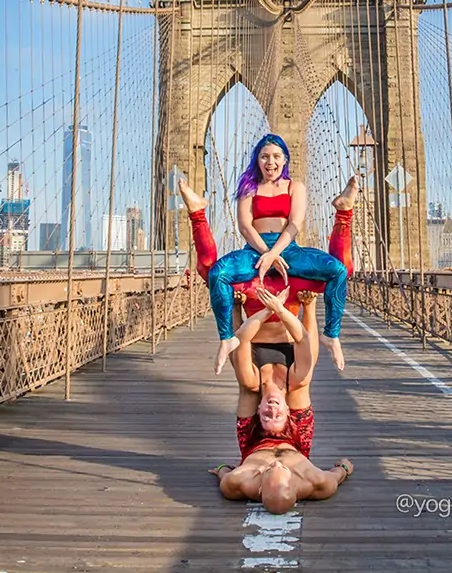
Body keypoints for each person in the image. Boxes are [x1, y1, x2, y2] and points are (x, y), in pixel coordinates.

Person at [179, 139, 357, 374]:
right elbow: (245, 226)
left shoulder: (296, 186)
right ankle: (226, 338)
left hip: (287, 250)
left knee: (338, 270)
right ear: (257, 159)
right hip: (255, 250)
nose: (270, 161)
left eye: (276, 156)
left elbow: (295, 224)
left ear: (285, 159)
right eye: (264, 156)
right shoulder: (248, 188)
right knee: (218, 274)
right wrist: (265, 253)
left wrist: (274, 253)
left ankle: (332, 335)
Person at [208, 286, 354, 514]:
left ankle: (236, 309)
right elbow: (337, 474)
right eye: (282, 469)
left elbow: (223, 474)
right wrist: (345, 467)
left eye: (269, 470)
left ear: (259, 487)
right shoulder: (316, 482)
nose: (276, 464)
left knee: (246, 382)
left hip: (255, 438)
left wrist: (266, 310)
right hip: (293, 436)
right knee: (304, 377)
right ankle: (309, 307)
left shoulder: (239, 483)